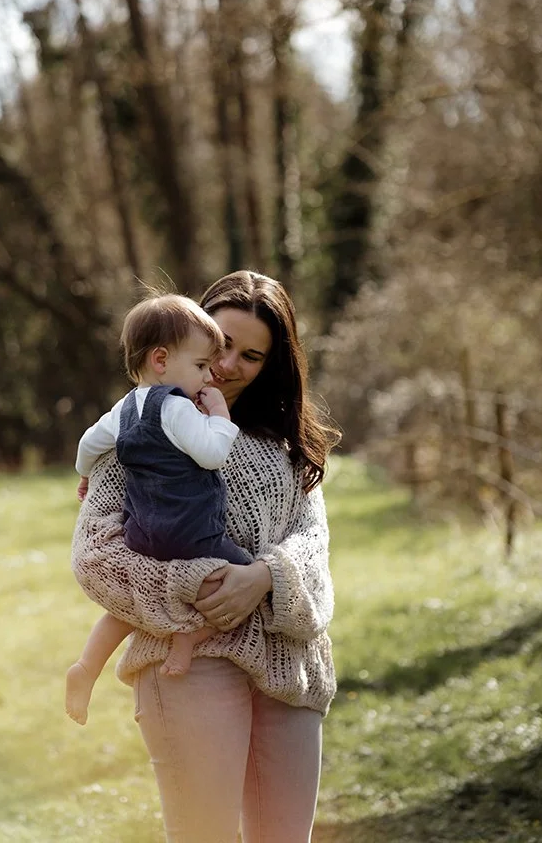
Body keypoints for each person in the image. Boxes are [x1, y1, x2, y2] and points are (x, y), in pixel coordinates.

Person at [71, 270, 338, 843]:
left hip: (288, 664)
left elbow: (314, 544)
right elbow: (96, 559)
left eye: (251, 355)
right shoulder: (138, 433)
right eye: (220, 342)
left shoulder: (288, 448)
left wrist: (265, 576)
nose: (226, 364)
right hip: (187, 664)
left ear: (274, 365)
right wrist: (198, 585)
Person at [66, 294, 252, 725]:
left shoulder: (124, 409)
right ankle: (186, 640)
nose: (210, 376)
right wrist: (220, 416)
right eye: (203, 366)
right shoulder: (176, 406)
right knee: (240, 586)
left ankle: (86, 667)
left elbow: (87, 444)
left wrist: (85, 474)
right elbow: (211, 454)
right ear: (162, 359)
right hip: (191, 530)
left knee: (127, 607)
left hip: (142, 533)